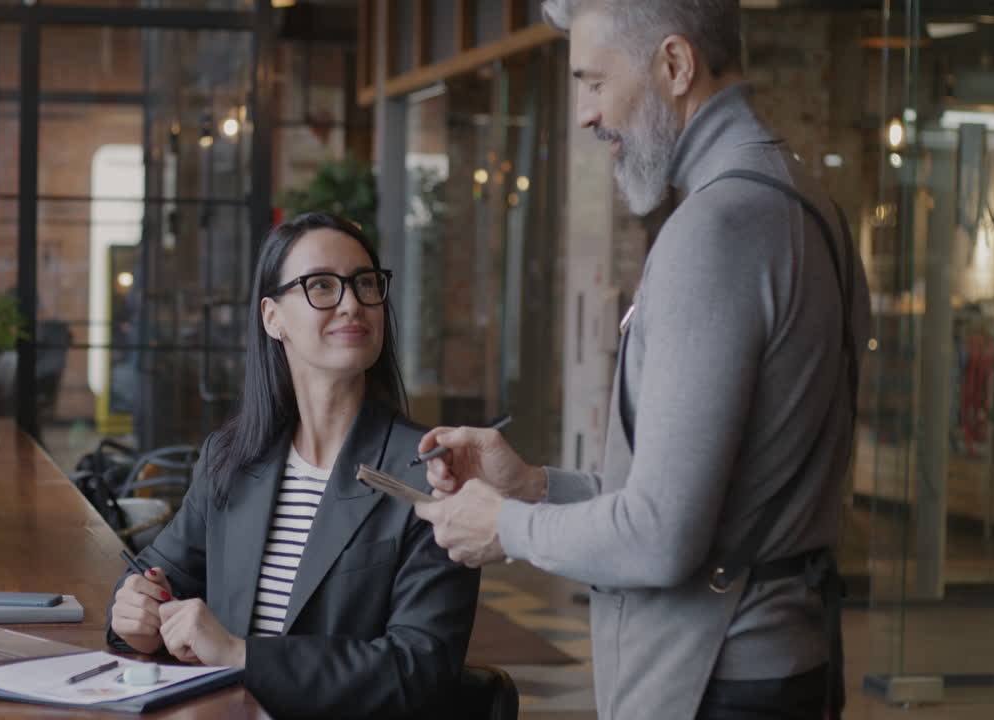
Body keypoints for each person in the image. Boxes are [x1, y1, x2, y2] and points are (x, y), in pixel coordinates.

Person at [412, 2, 871, 719]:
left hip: (713, 681)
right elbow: (709, 496)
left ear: (675, 65)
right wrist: (533, 484)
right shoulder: (814, 208)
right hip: (787, 666)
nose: (584, 115)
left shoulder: (713, 231)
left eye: (594, 81)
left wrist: (504, 526)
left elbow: (660, 537)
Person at [107, 213, 479, 719]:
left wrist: (241, 655)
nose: (352, 303)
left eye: (365, 283)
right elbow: (156, 578)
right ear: (272, 317)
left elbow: (419, 670)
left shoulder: (431, 474)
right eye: (321, 285)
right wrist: (133, 613)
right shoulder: (230, 460)